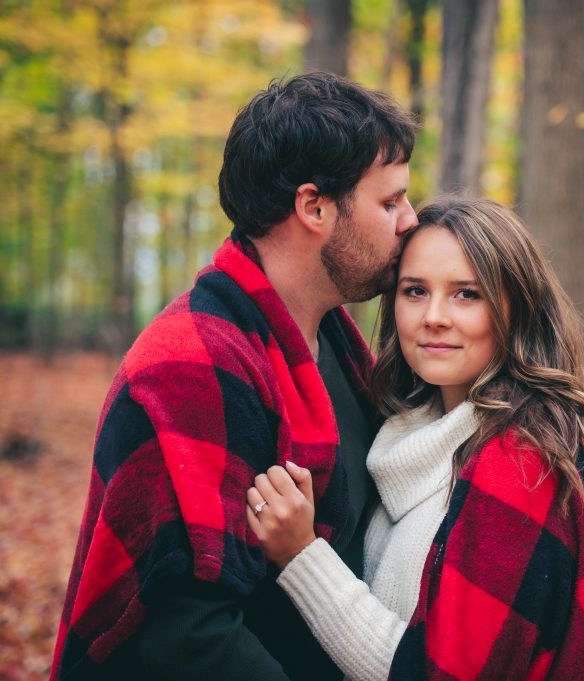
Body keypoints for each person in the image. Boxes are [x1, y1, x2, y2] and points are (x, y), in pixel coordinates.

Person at [49, 72, 419, 681]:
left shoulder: (331, 344)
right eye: (389, 202)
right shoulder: (190, 367)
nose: (409, 219)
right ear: (314, 206)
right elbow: (191, 642)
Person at [246, 197, 584, 681]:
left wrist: (302, 556)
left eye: (466, 294)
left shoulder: (521, 460)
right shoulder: (410, 433)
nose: (434, 316)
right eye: (415, 291)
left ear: (516, 308)